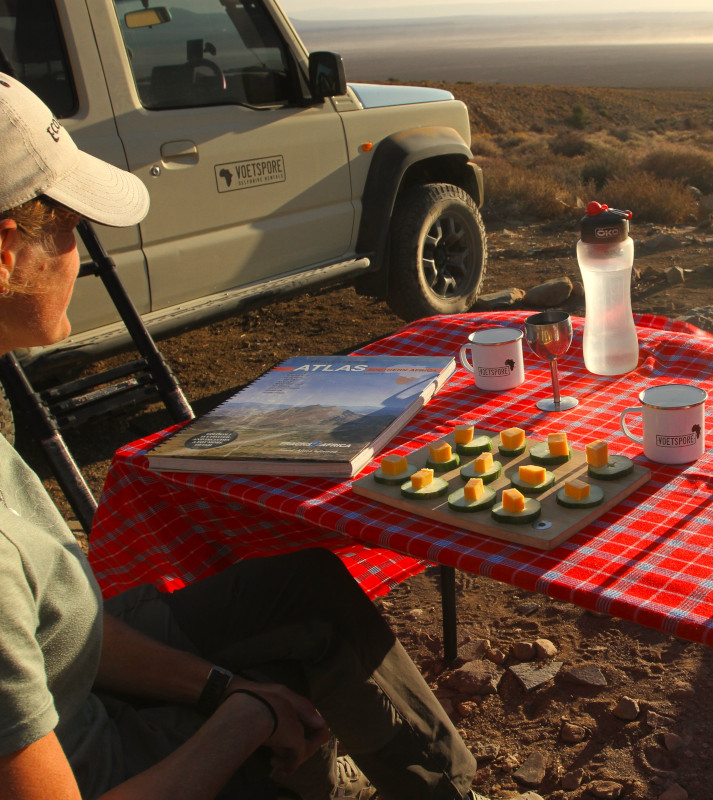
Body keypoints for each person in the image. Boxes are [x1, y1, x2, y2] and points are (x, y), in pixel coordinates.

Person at [0, 73, 483, 800]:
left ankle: (445, 793)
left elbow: (61, 638)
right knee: (291, 699)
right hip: (99, 757)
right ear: (7, 250)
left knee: (301, 585)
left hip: (76, 681)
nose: (78, 254)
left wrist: (218, 687)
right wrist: (245, 718)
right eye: (68, 228)